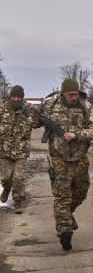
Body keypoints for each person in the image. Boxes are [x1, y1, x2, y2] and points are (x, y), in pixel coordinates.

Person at [37, 78, 93, 251]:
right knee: (62, 195)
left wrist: (76, 135)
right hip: (59, 158)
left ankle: (66, 214)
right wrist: (33, 118)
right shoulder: (50, 106)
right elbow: (36, 122)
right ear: (63, 93)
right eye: (71, 94)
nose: (74, 97)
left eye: (76, 94)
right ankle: (64, 230)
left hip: (79, 156)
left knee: (81, 191)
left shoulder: (85, 107)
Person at [0, 85, 34, 214]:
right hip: (5, 150)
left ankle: (18, 202)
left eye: (18, 97)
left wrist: (35, 109)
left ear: (22, 97)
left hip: (21, 151)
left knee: (19, 178)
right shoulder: (3, 110)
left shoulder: (28, 110)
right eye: (14, 96)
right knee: (5, 178)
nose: (16, 99)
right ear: (10, 96)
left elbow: (41, 120)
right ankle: (6, 189)